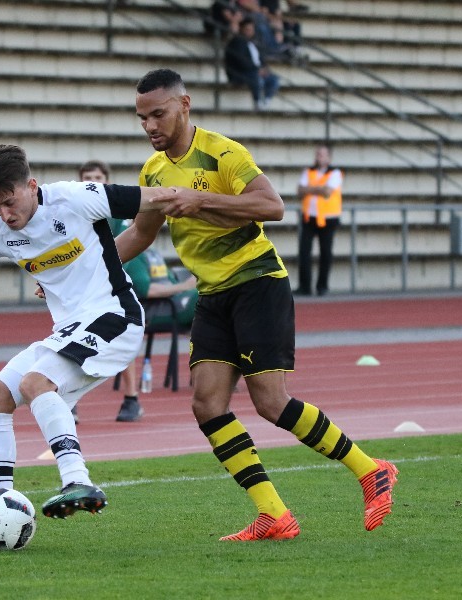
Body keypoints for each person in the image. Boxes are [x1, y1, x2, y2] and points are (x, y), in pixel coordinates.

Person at [116, 68, 398, 541]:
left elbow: (273, 206)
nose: (150, 126)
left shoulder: (223, 153)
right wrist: (83, 267)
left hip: (257, 282)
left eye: (158, 114)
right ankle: (274, 515)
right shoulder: (153, 172)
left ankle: (371, 470)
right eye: (142, 118)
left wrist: (201, 200)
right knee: (207, 404)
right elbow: (141, 234)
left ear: (184, 105)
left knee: (270, 401)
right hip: (212, 295)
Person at [0, 143, 176, 549]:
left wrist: (216, 202)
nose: (4, 214)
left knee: (35, 382)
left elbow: (157, 198)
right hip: (68, 328)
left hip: (116, 315)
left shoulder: (74, 198)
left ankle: (77, 481)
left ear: (31, 186)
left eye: (9, 202)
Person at [78, 159, 197, 422]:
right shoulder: (74, 215)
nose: (92, 183)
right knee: (72, 341)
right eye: (87, 178)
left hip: (111, 287)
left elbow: (127, 246)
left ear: (106, 181)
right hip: (76, 289)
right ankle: (70, 401)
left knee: (121, 337)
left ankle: (131, 398)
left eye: (97, 178)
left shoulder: (118, 217)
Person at [295, 144, 343, 296]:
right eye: (317, 154)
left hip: (328, 219)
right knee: (304, 252)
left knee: (325, 253)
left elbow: (327, 192)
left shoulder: (335, 173)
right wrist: (319, 189)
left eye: (322, 154)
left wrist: (309, 189)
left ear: (329, 157)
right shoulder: (308, 171)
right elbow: (300, 191)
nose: (319, 157)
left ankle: (322, 286)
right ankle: (305, 286)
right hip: (309, 217)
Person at [224, 16, 280, 110]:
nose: (249, 32)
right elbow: (241, 62)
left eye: (251, 29)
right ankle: (257, 102)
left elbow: (260, 60)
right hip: (240, 73)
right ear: (241, 29)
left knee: (273, 79)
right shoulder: (237, 42)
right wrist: (257, 70)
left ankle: (266, 102)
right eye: (247, 29)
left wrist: (265, 69)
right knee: (256, 77)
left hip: (254, 72)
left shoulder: (253, 42)